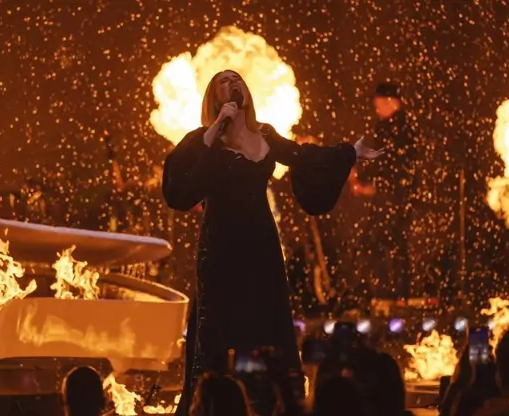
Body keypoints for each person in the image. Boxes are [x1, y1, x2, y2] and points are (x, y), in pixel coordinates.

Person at [161, 69, 382, 415]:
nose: (233, 83)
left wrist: (348, 153)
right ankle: (215, 403)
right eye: (224, 81)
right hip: (221, 245)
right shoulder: (203, 139)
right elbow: (180, 183)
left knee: (264, 318)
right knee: (219, 322)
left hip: (261, 243)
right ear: (214, 97)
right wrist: (216, 126)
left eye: (236, 78)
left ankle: (266, 400)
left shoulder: (264, 133)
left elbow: (303, 156)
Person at [355, 81, 417, 300]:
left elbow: (387, 162)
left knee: (375, 244)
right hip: (398, 197)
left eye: (378, 105)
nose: (376, 110)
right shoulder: (402, 127)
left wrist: (368, 182)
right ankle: (397, 295)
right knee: (394, 245)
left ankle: (385, 295)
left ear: (391, 102)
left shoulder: (394, 128)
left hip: (393, 198)